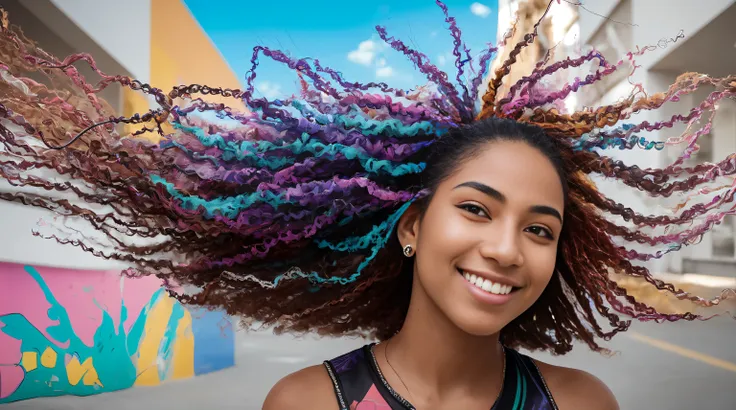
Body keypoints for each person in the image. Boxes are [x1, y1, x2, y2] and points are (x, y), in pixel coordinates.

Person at [0, 1, 733, 409]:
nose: (508, 248)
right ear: (410, 224)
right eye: (476, 209)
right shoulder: (309, 405)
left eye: (539, 228)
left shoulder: (582, 406)